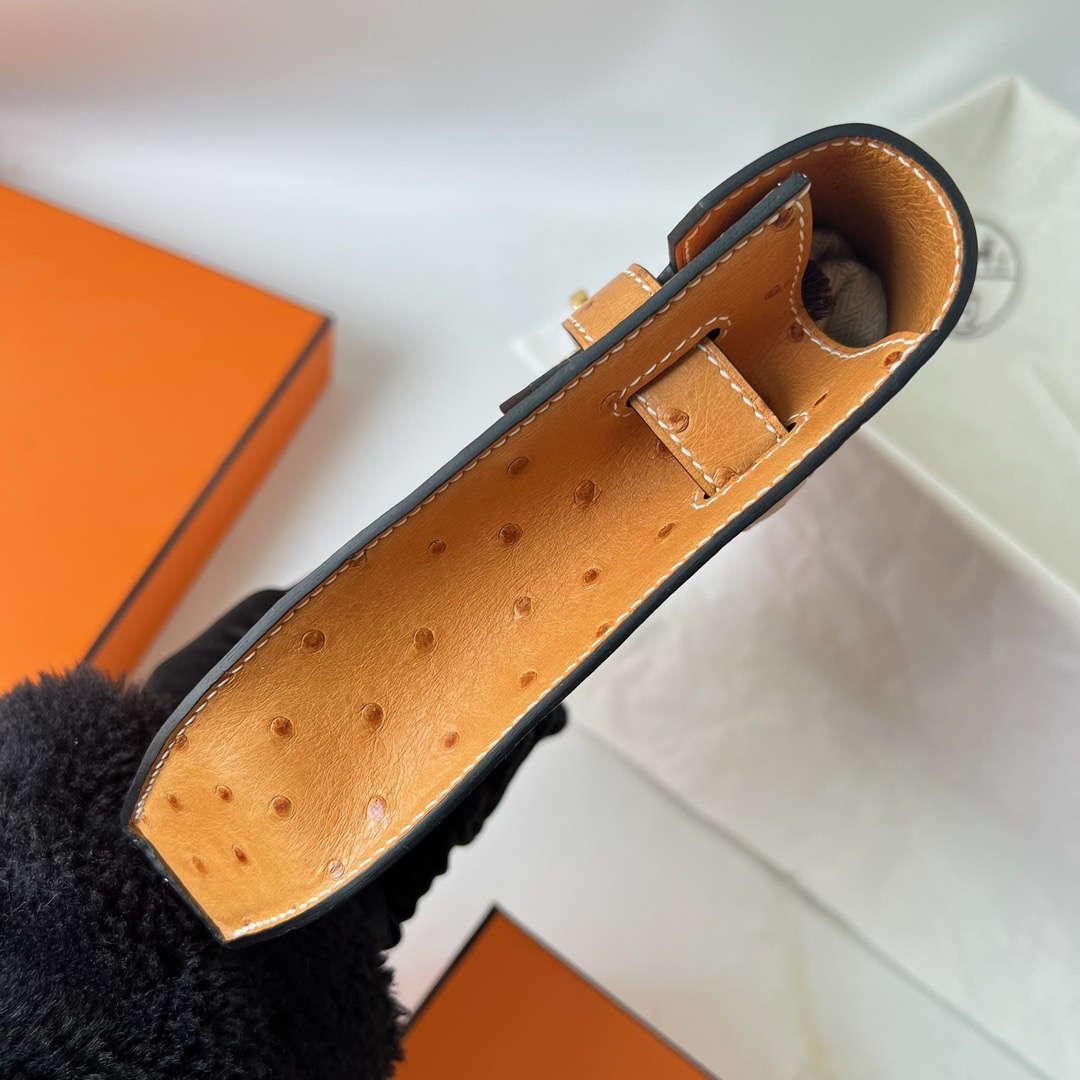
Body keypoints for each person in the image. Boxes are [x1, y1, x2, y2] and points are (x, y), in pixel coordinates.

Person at [0, 589, 565, 1079]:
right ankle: (544, 688)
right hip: (272, 970)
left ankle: (542, 689)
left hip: (114, 792)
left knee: (356, 607)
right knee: (458, 754)